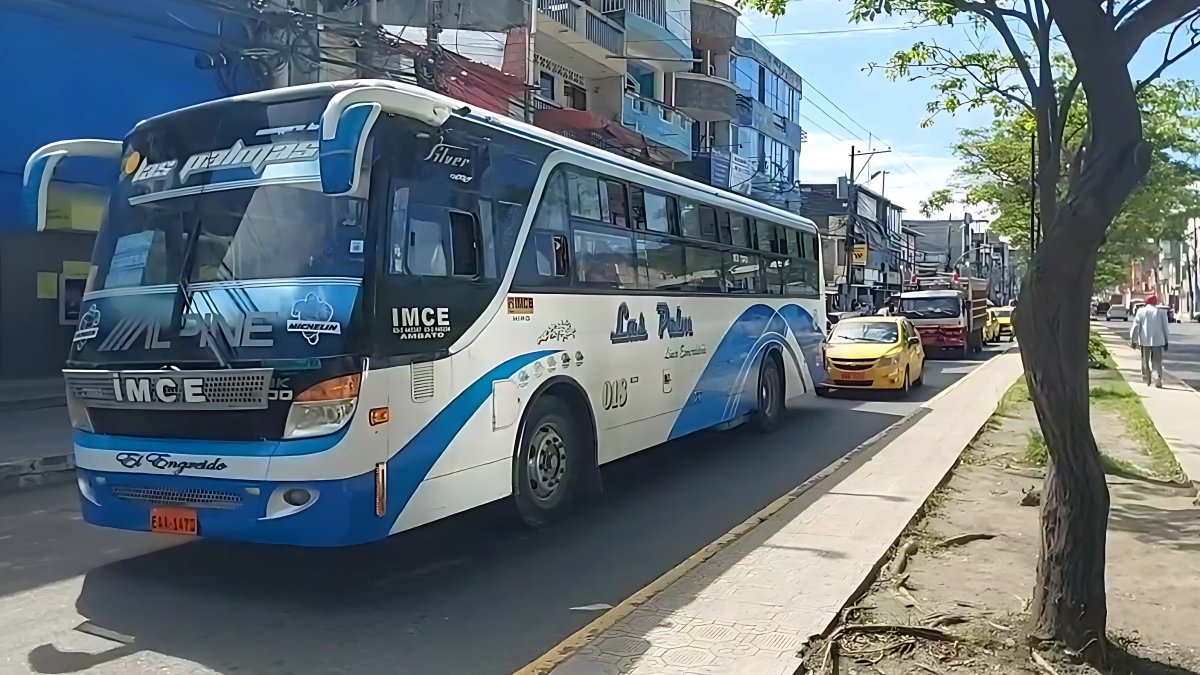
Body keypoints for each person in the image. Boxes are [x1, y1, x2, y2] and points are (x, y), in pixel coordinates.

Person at [1130, 294, 1170, 387]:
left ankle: (1147, 378)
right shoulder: (1161, 312)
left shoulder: (1141, 311)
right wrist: (1166, 340)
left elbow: (1136, 326)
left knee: (1145, 360)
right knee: (1157, 361)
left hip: (1145, 341)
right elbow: (1165, 328)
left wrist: (1133, 339)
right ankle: (1157, 378)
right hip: (1158, 341)